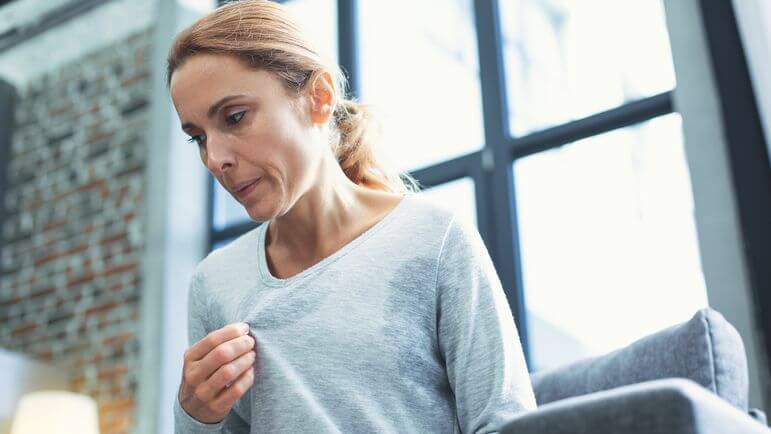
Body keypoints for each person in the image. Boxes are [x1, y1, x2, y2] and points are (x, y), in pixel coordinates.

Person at [167, 1, 536, 432]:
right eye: (198, 138)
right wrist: (194, 414)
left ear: (319, 99)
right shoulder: (215, 283)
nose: (215, 158)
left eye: (234, 117)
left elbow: (505, 424)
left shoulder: (434, 239)